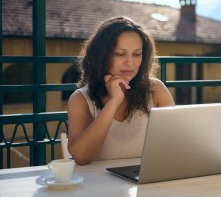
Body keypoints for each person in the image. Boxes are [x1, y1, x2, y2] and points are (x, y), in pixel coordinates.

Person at [67, 16, 175, 165]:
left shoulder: (155, 90)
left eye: (136, 54)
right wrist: (113, 101)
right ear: (101, 55)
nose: (130, 62)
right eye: (120, 53)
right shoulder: (80, 99)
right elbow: (81, 156)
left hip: (145, 183)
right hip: (98, 186)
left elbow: (178, 143)